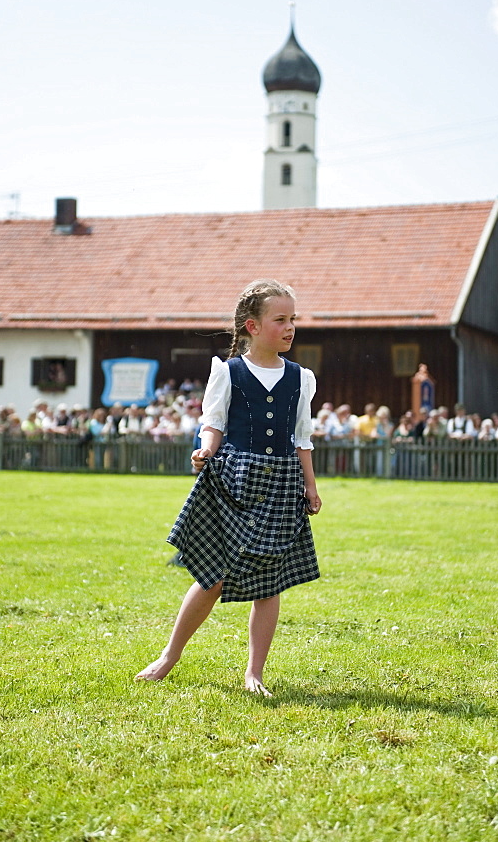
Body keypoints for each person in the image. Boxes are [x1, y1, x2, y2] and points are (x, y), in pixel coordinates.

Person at [135, 279, 322, 697]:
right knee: (212, 576)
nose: (290, 328)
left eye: (293, 319)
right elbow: (213, 422)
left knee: (269, 581)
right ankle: (170, 655)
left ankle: (255, 673)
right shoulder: (228, 370)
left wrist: (310, 486)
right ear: (253, 326)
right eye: (281, 320)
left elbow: (302, 437)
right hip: (232, 481)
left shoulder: (301, 378)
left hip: (281, 483)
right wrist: (203, 452)